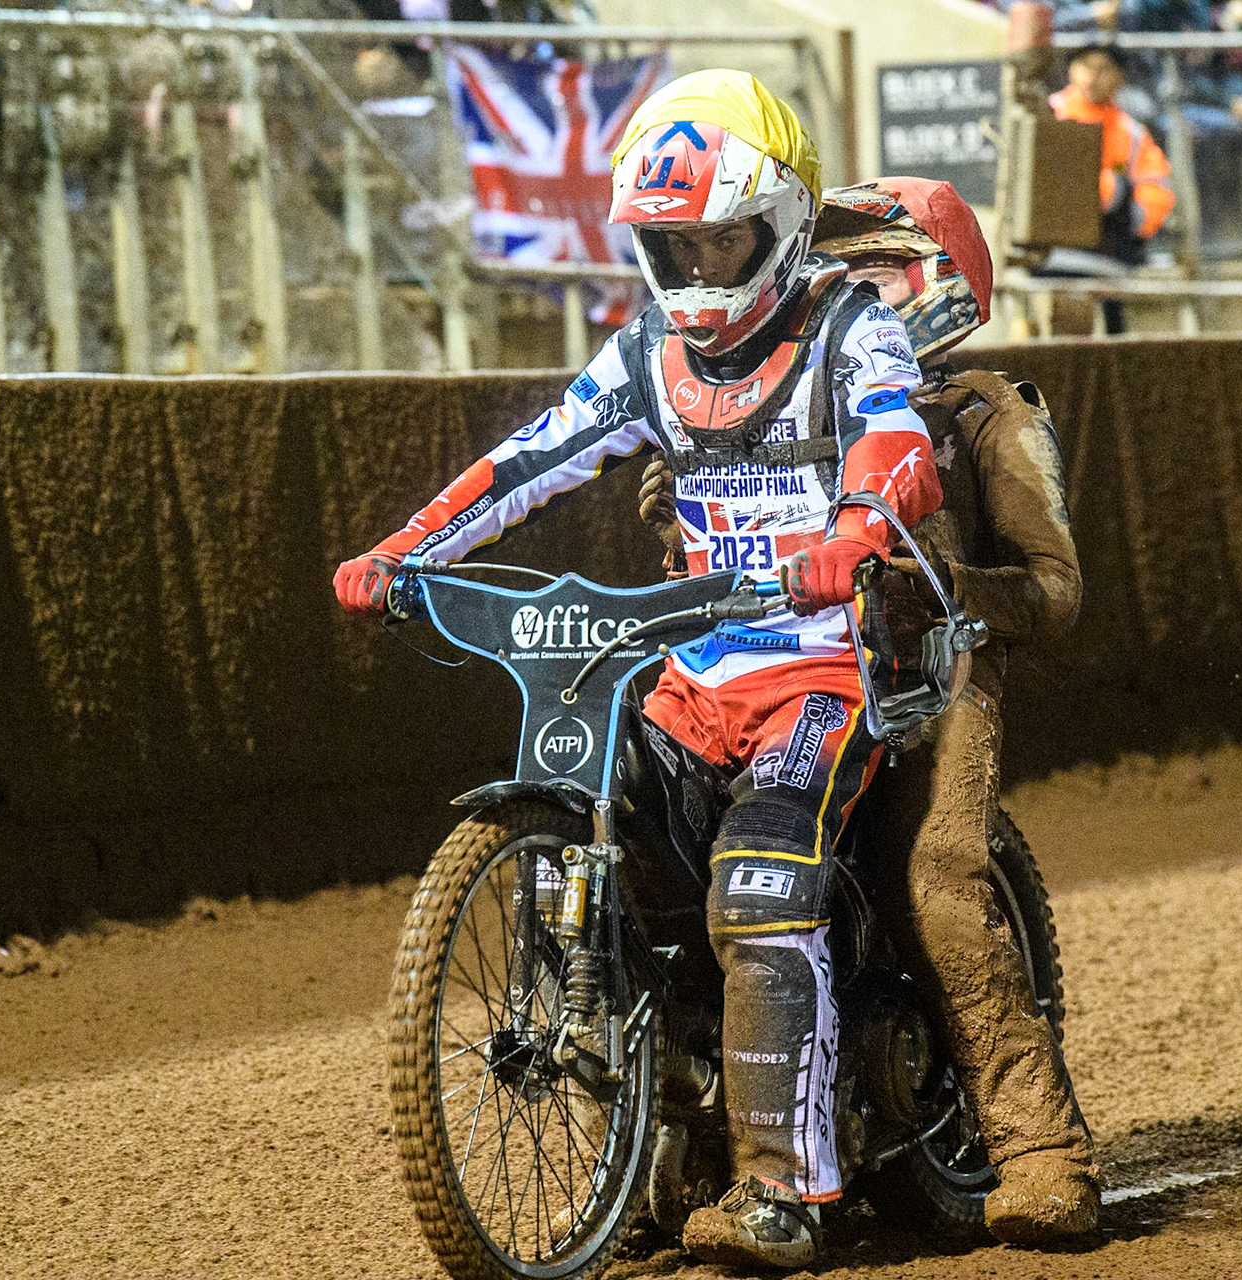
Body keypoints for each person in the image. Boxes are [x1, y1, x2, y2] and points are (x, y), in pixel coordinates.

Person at [332, 70, 942, 1272]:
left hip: (823, 673)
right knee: (609, 846)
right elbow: (529, 461)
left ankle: (789, 1192)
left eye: (725, 236)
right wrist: (401, 551)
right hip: (692, 679)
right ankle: (655, 1138)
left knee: (766, 876)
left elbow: (898, 443)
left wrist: (861, 526)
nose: (705, 267)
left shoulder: (848, 326)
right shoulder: (646, 354)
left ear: (784, 223)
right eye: (677, 244)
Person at [639, 177, 1100, 1245]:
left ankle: (1042, 1153)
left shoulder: (987, 411)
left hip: (936, 681)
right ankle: (716, 1142)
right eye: (834, 271)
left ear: (941, 281)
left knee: (935, 882)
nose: (847, 293)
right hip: (781, 675)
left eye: (875, 272)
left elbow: (1054, 588)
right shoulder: (764, 397)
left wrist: (924, 589)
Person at [1048, 45, 1176, 334]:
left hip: (1109, 255)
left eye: (1103, 68)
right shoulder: (1048, 114)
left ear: (1119, 77)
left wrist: (1124, 213)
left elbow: (1155, 190)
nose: (1093, 76)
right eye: (1085, 66)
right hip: (1052, 254)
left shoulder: (1131, 131)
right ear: (1072, 71)